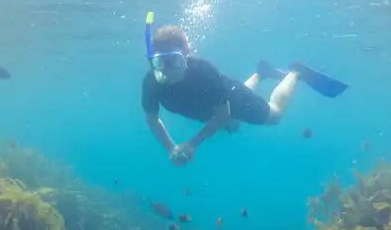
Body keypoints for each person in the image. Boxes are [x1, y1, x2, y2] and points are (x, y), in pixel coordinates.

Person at [141, 23, 348, 166]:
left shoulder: (204, 72)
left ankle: (296, 72)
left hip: (230, 98)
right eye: (160, 62)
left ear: (186, 56)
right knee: (233, 127)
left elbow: (222, 115)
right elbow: (152, 119)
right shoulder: (151, 82)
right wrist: (171, 149)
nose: (167, 70)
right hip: (206, 108)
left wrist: (192, 143)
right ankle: (261, 72)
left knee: (274, 116)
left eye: (174, 61)